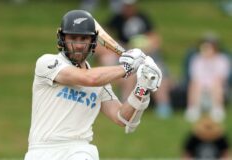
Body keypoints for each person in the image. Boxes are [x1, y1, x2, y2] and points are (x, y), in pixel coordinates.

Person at [24, 10, 162, 160]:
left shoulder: (101, 84)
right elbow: (89, 79)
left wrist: (142, 87)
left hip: (78, 150)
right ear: (62, 38)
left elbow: (122, 117)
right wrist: (128, 68)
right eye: (73, 38)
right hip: (41, 150)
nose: (78, 45)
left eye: (83, 38)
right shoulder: (48, 63)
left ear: (93, 41)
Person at [184, 34, 231, 123]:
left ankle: (217, 109)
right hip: (200, 88)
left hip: (217, 88)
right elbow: (195, 76)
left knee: (217, 83)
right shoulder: (197, 59)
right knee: (194, 83)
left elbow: (222, 77)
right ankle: (193, 108)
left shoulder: (222, 60)